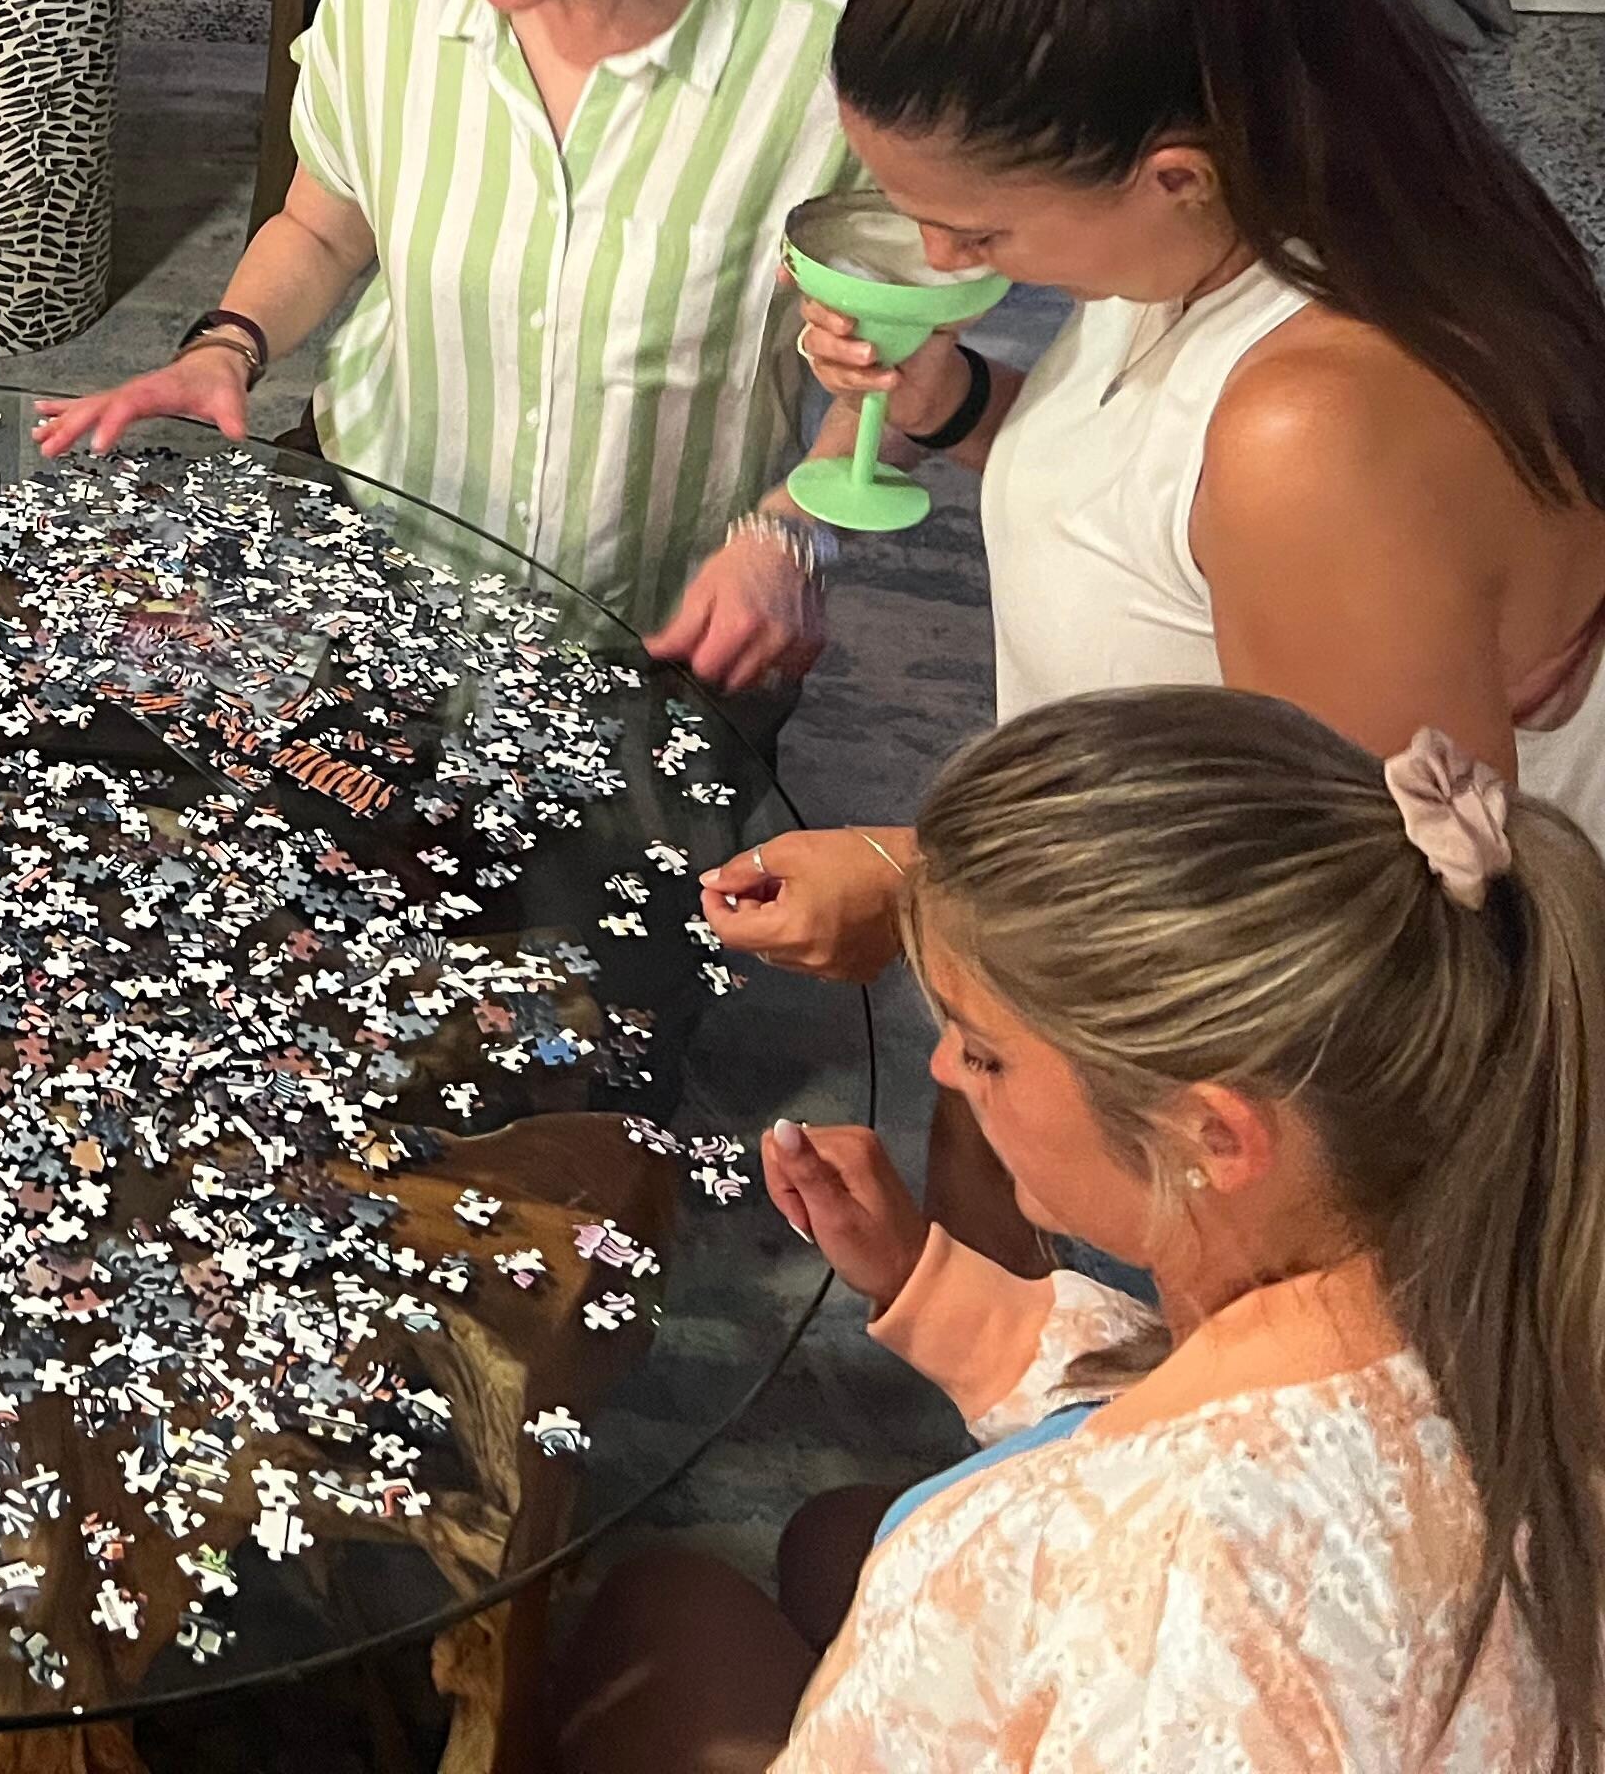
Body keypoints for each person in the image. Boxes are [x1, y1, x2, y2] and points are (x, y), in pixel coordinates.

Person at [562, 687, 1600, 1773]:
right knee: (834, 1536)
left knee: (662, 1608)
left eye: (986, 1052)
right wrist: (931, 1283)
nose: (942, 1069)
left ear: (1213, 1134)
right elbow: (1187, 1403)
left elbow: (1159, 1572)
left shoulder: (1145, 1586)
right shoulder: (1489, 1259)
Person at [703, 0, 1605, 979]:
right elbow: (1165, 514)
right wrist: (956, 406)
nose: (939, 260)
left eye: (977, 233)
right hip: (1122, 905)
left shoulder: (1318, 437)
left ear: (1175, 175)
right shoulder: (1229, 230)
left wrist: (923, 887)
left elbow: (1378, 922)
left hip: (1246, 1001)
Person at [39, 0, 860, 707]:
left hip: (659, 620)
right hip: (370, 552)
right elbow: (322, 228)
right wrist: (225, 347)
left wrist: (795, 532)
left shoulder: (833, 60)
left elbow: (902, 380)